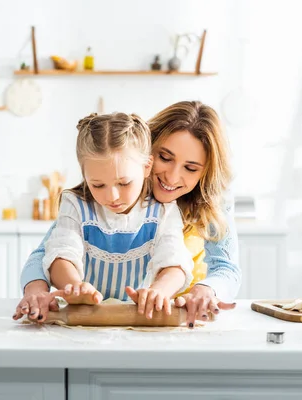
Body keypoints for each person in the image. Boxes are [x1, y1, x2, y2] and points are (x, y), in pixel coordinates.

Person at [14, 101, 240, 328]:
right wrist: (37, 290)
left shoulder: (209, 202)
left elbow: (226, 268)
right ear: (147, 157)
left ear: (206, 171)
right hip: (100, 314)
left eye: (190, 168)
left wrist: (206, 289)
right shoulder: (109, 189)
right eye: (165, 157)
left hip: (180, 313)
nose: (171, 177)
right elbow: (50, 252)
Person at [39, 112, 194, 319]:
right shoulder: (75, 204)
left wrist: (160, 291)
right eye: (98, 185)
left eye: (124, 183)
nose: (112, 196)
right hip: (86, 317)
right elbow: (61, 254)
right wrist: (74, 287)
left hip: (139, 315)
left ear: (147, 167)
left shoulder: (163, 211)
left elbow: (174, 261)